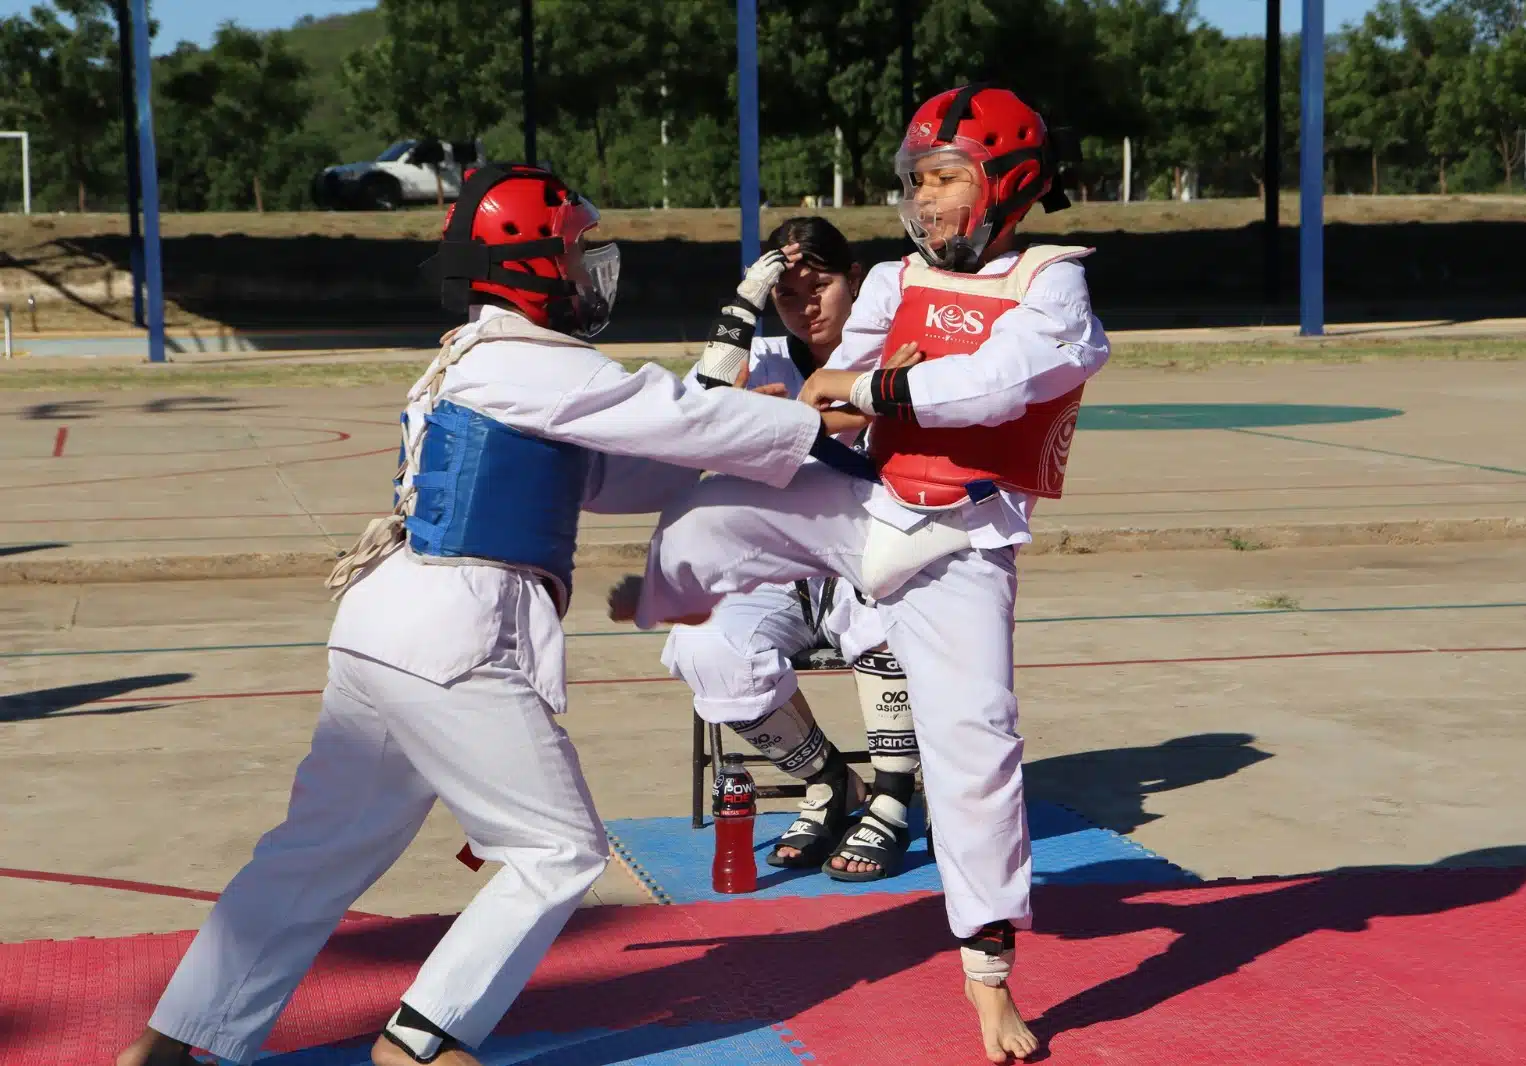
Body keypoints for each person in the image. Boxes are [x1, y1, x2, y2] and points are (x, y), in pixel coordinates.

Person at [116, 164, 860, 1066]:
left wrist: (752, 425)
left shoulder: (484, 357)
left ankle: (170, 1044)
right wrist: (809, 424)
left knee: (316, 851)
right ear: (532, 263)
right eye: (578, 251)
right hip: (453, 640)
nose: (591, 270)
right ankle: (421, 1043)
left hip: (384, 634)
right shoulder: (528, 363)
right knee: (556, 851)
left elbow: (625, 470)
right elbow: (665, 415)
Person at [610, 85, 1111, 1064]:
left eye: (945, 179)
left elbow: (998, 383)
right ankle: (661, 596)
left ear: (1005, 180)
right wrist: (872, 390)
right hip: (863, 506)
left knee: (974, 748)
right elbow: (825, 402)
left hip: (961, 546)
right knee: (708, 510)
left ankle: (987, 976)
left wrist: (881, 387)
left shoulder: (1050, 282)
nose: (925, 201)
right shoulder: (891, 279)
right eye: (916, 181)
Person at [666, 216, 924, 881]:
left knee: (885, 590)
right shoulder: (760, 360)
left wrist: (779, 424)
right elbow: (696, 418)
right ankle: (831, 782)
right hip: (775, 569)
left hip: (867, 557)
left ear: (855, 281)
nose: (806, 304)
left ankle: (894, 795)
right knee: (703, 646)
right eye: (788, 294)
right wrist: (745, 310)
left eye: (822, 286)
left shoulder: (898, 350)